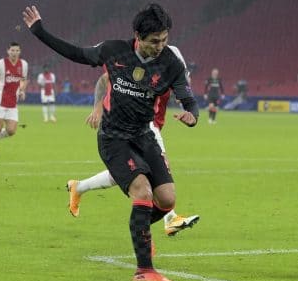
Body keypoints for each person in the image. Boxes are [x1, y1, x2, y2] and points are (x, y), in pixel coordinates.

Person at [23, 3, 199, 281]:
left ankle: (138, 227)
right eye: (155, 41)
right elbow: (76, 53)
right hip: (113, 137)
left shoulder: (171, 63)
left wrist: (193, 114)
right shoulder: (113, 50)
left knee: (166, 199)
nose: (160, 46)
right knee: (141, 191)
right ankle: (145, 270)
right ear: (138, 36)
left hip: (144, 134)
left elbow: (187, 97)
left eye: (164, 40)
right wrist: (39, 31)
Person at [67, 71, 200, 236]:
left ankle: (79, 187)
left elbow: (183, 84)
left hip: (151, 125)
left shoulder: (170, 61)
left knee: (131, 170)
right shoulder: (142, 60)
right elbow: (105, 78)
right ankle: (170, 218)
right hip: (141, 126)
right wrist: (98, 108)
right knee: (157, 170)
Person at [0, 41, 28, 163]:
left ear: (20, 51)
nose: (14, 53)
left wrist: (22, 90)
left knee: (11, 131)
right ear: (8, 51)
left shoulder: (23, 64)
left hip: (12, 103)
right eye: (12, 50)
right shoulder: (0, 64)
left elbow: (23, 80)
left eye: (17, 50)